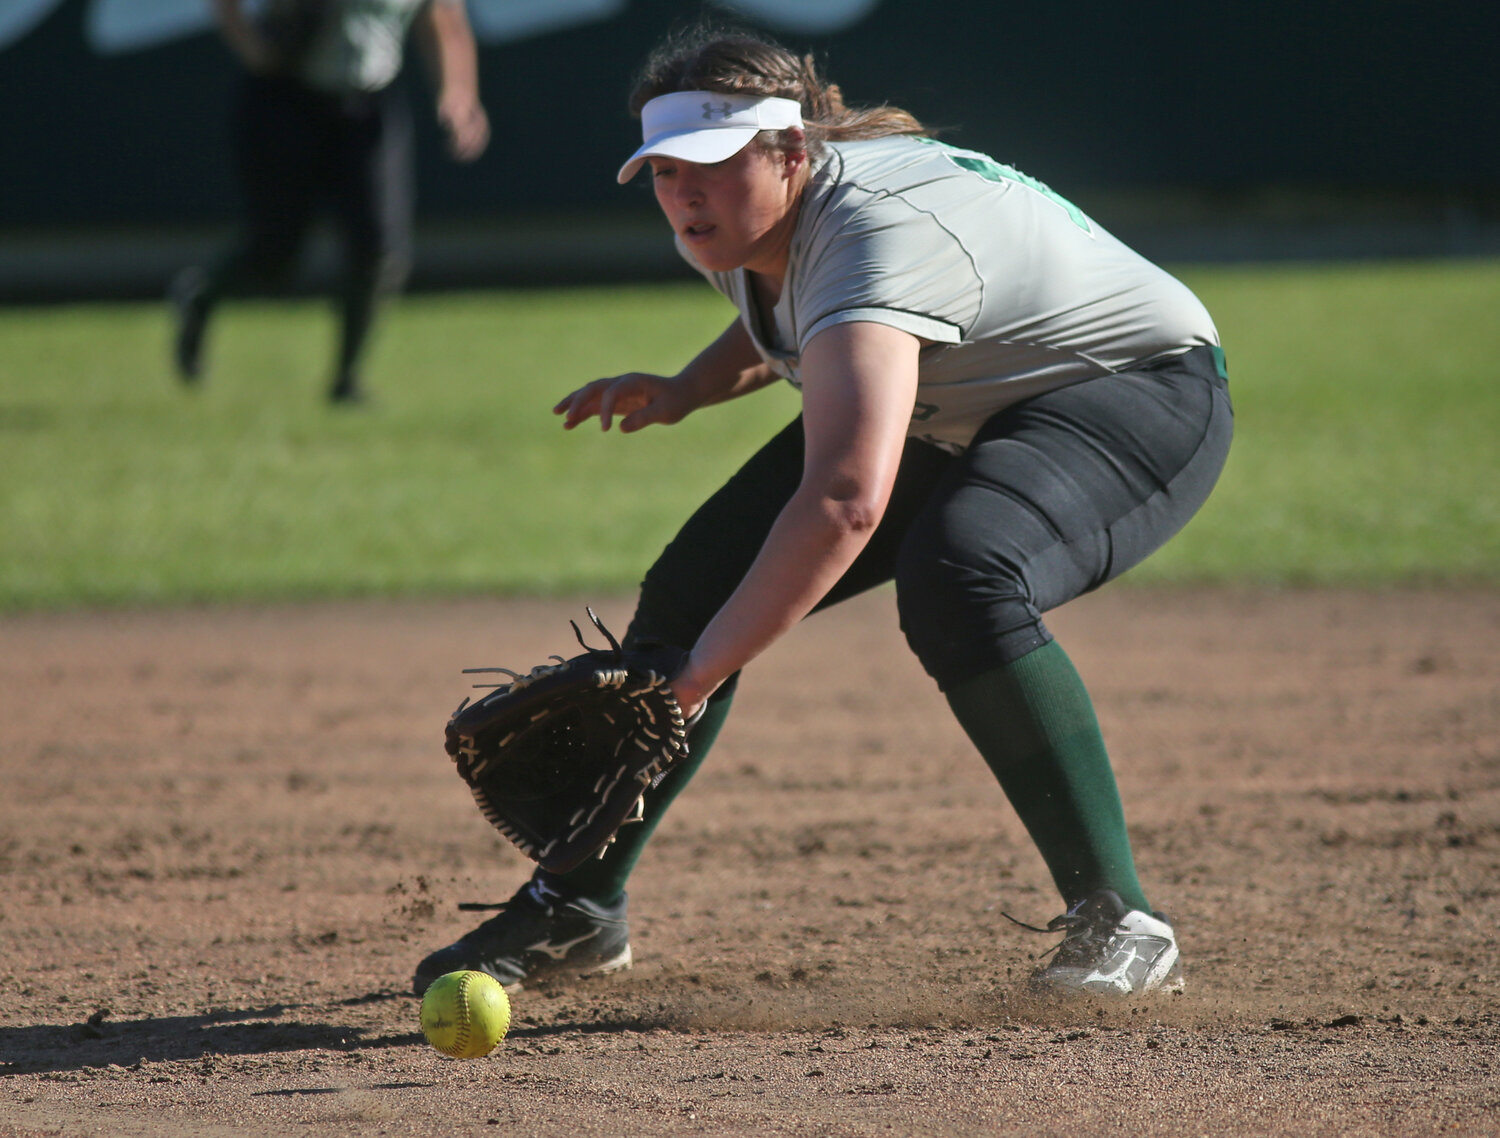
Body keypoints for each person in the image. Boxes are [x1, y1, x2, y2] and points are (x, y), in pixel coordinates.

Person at [413, 26, 1232, 998]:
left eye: (709, 166)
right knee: (692, 594)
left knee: (960, 574)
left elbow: (845, 501)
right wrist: (686, 387)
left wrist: (686, 688)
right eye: (664, 169)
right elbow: (795, 307)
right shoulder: (739, 221)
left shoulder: (878, 229)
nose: (684, 192)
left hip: (1135, 392)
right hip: (964, 395)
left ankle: (1123, 917)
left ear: (792, 151)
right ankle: (580, 907)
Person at [170, 0, 489, 404]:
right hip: (288, 96)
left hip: (369, 105)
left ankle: (346, 379)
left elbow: (444, 18)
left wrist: (458, 95)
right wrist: (250, 45)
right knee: (275, 251)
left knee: (379, 248)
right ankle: (202, 296)